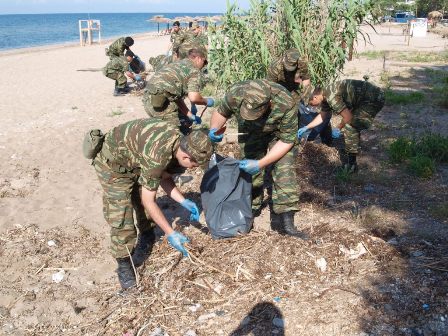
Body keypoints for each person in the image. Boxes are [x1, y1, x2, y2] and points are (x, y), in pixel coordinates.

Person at [92, 119, 214, 289]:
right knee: (121, 214)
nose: (193, 169)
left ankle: (147, 233)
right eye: (194, 164)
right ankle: (124, 264)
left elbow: (163, 176)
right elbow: (149, 201)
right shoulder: (158, 155)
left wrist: (183, 200)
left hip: (135, 159)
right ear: (186, 156)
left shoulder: (179, 142)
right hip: (113, 165)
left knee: (140, 197)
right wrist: (170, 232)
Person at [208, 79, 307, 239]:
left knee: (284, 169)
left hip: (279, 136)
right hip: (250, 132)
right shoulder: (236, 92)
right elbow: (221, 112)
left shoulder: (286, 102)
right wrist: (214, 129)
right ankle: (251, 208)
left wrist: (261, 163)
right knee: (250, 173)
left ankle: (287, 222)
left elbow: (287, 141)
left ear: (268, 105)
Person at [299, 79, 385, 172]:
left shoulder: (331, 97)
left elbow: (347, 117)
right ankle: (353, 148)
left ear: (315, 97)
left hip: (373, 98)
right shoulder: (324, 95)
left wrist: (338, 128)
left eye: (311, 104)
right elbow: (323, 116)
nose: (312, 106)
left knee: (351, 127)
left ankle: (351, 166)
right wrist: (307, 127)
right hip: (363, 100)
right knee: (353, 124)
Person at [142, 48, 215, 134]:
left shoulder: (177, 64)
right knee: (173, 136)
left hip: (148, 100)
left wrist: (189, 115)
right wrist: (206, 101)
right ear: (198, 58)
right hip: (161, 101)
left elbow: (174, 96)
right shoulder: (194, 70)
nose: (204, 65)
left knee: (168, 129)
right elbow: (194, 98)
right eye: (204, 62)